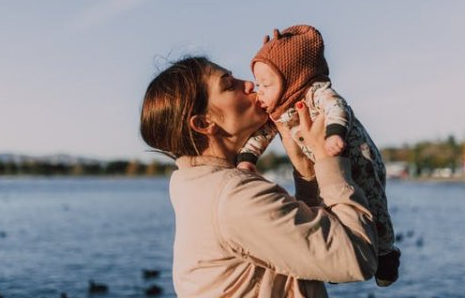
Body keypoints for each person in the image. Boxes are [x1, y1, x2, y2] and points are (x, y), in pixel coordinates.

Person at [140, 56, 379, 298]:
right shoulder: (234, 197)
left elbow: (313, 257)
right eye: (229, 85)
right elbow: (358, 257)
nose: (249, 85)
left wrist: (305, 170)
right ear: (204, 123)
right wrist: (327, 157)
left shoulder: (196, 187)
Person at [236, 25, 400, 287]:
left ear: (293, 78)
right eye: (258, 84)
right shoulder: (276, 110)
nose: (260, 91)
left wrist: (334, 133)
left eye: (266, 84)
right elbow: (260, 135)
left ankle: (386, 252)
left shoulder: (315, 92)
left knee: (374, 203)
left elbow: (337, 106)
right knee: (327, 206)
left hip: (360, 159)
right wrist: (247, 159)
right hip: (328, 165)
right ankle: (335, 260)